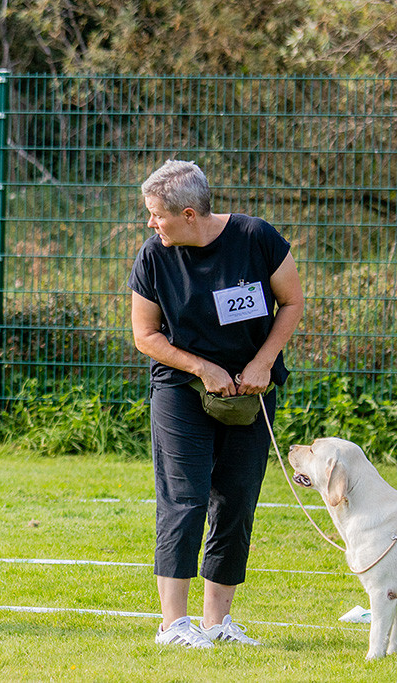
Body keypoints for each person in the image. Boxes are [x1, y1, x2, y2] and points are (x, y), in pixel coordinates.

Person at [128, 160, 304, 648]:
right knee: (184, 499)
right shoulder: (153, 256)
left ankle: (217, 624)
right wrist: (202, 368)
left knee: (236, 498)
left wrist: (265, 362)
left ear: (188, 213)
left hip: (251, 390)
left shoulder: (256, 238)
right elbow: (145, 336)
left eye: (155, 214)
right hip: (181, 388)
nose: (150, 223)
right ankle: (174, 626)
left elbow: (290, 301)